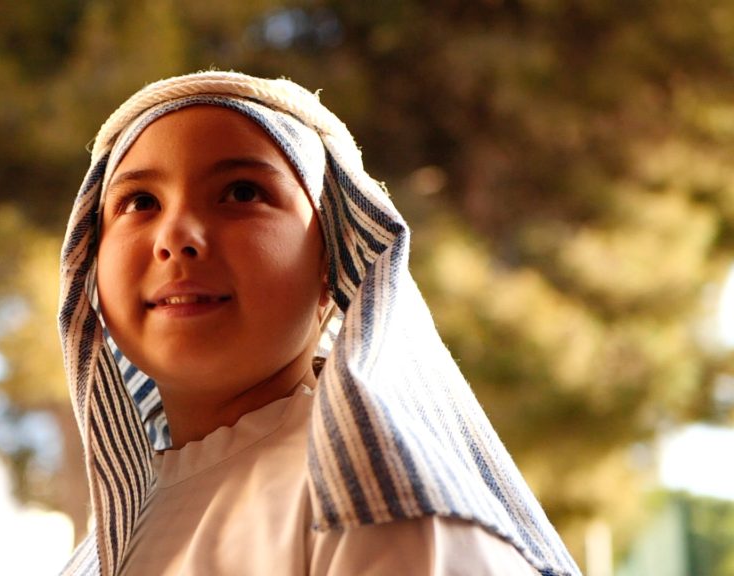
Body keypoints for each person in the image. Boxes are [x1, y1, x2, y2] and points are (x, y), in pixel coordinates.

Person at [57, 71, 580, 575]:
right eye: (140, 202)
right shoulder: (108, 542)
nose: (177, 236)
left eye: (241, 193)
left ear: (332, 266)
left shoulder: (375, 498)